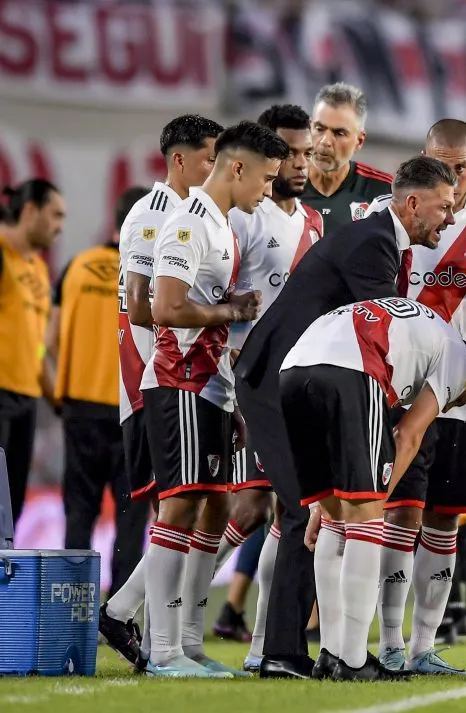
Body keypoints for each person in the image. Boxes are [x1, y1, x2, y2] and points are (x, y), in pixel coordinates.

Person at [233, 156, 458, 679]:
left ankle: (313, 649)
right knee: (302, 510)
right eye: (444, 206)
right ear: (412, 202)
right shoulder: (374, 245)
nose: (449, 218)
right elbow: (382, 336)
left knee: (313, 511)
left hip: (293, 378)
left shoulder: (380, 241)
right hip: (276, 381)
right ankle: (281, 652)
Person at [280, 298, 466, 680]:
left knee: (332, 517)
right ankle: (354, 662)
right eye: (455, 400)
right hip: (353, 367)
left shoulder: (431, 337)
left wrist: (329, 502)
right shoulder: (461, 363)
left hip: (293, 368)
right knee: (363, 516)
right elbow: (408, 434)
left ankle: (329, 652)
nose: (447, 406)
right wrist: (374, 499)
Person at [368, 119, 466, 677]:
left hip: (464, 392)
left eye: (459, 167)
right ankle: (390, 644)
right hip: (403, 387)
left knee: (443, 518)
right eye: (441, 163)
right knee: (401, 512)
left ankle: (424, 646)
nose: (451, 176)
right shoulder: (392, 210)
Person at [140, 120, 287, 678]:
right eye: (266, 179)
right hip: (179, 380)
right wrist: (232, 309)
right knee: (179, 507)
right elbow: (165, 308)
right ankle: (162, 650)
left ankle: (189, 642)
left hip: (213, 386)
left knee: (215, 506)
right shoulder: (189, 223)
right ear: (237, 168)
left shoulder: (224, 225)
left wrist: (233, 399)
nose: (268, 191)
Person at [100, 114, 224, 670]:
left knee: (199, 505)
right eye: (208, 158)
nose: (215, 167)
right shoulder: (152, 215)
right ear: (179, 159)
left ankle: (136, 620)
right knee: (174, 508)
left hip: (191, 378)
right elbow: (140, 308)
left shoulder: (200, 214)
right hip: (152, 379)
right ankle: (155, 641)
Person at [211, 104, 323, 666]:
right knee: (253, 507)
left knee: (284, 512)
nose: (298, 163)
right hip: (248, 383)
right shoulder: (242, 219)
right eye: (288, 152)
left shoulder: (314, 223)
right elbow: (214, 299)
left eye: (305, 153)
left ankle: (262, 646)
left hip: (295, 383)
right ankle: (164, 617)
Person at [50, 186, 151, 597]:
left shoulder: (77, 267)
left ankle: (71, 605)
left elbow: (51, 339)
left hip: (81, 406)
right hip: (132, 405)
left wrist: (65, 384)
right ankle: (118, 613)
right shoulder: (148, 272)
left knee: (80, 509)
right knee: (131, 514)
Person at [0, 179, 64, 530]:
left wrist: (59, 401)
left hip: (26, 401)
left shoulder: (39, 270)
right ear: (29, 211)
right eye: (55, 215)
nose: (60, 226)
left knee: (12, 509)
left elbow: (37, 344)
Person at [302, 83, 393, 234]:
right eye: (319, 128)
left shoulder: (384, 191)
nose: (325, 141)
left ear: (359, 141)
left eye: (339, 133)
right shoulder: (277, 185)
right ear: (309, 128)